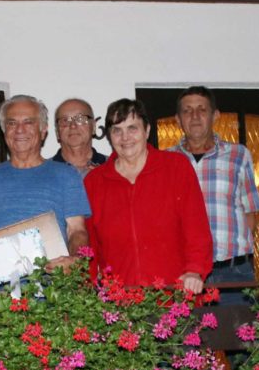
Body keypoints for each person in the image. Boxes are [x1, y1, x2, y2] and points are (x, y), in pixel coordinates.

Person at [84, 99, 212, 294]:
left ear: (147, 130)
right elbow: (90, 246)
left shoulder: (176, 167)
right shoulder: (94, 182)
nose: (125, 137)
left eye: (132, 128)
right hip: (120, 300)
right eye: (117, 130)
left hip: (174, 293)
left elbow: (196, 227)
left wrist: (195, 270)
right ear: (109, 136)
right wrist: (88, 293)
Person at [0, 95, 91, 281]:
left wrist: (75, 259)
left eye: (28, 122)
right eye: (12, 123)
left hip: (55, 290)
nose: (19, 130)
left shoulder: (67, 175)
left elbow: (76, 230)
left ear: (43, 130)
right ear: (4, 131)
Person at [168, 86, 259, 284]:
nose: (195, 116)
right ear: (178, 119)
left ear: (215, 115)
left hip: (234, 271)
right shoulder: (166, 161)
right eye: (187, 111)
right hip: (185, 274)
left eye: (202, 109)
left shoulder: (238, 155)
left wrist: (238, 255)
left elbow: (250, 212)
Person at [50, 98, 108, 178]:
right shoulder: (43, 172)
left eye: (80, 119)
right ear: (57, 131)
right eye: (65, 120)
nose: (73, 126)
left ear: (94, 127)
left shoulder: (115, 168)